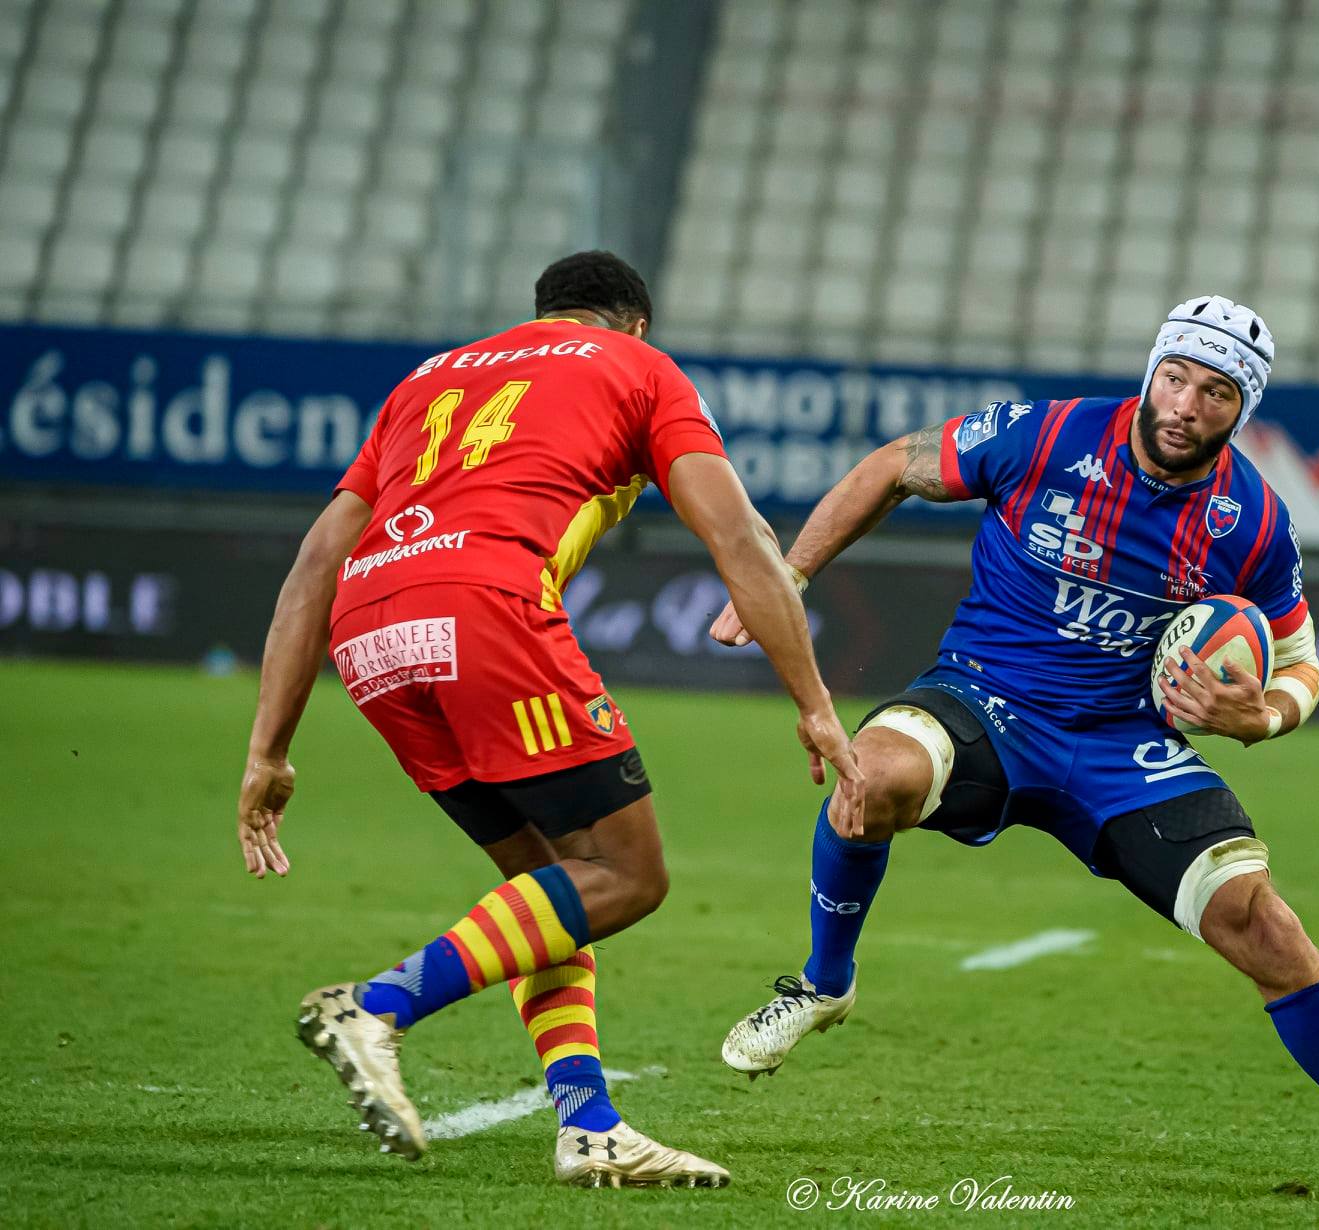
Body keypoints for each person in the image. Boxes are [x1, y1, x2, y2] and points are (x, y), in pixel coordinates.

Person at [708, 296, 1319, 1206]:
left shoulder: (1253, 521)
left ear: (1239, 410)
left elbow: (1300, 662)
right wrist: (791, 576)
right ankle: (823, 982)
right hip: (988, 699)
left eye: (1215, 393)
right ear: (1152, 371)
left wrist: (1260, 718)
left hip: (1125, 745)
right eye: (1175, 377)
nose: (1185, 405)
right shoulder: (1046, 436)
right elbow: (896, 464)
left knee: (1267, 928)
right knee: (872, 776)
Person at [236, 250, 862, 1189]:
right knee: (627, 875)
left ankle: (589, 1125)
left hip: (370, 633)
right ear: (636, 323)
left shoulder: (428, 378)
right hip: (487, 606)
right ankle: (372, 1007)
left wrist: (268, 751)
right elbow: (740, 538)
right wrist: (815, 704)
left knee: (549, 895)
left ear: (537, 316)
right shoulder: (641, 369)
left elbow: (314, 564)